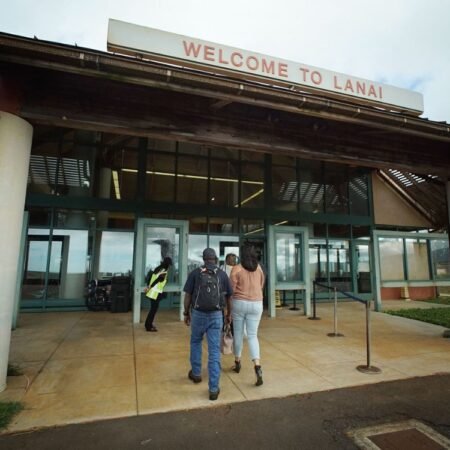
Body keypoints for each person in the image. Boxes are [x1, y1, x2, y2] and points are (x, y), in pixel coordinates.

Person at [183, 248, 232, 401]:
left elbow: (188, 295)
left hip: (198, 314)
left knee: (196, 341)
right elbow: (229, 297)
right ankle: (213, 388)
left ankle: (196, 374)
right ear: (215, 259)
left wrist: (186, 312)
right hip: (216, 315)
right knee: (214, 351)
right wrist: (228, 314)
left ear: (204, 259)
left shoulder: (195, 273)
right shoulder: (222, 274)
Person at [230, 244, 265, 386]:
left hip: (239, 303)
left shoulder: (236, 269)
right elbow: (261, 285)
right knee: (252, 335)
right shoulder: (259, 269)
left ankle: (237, 362)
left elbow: (230, 290)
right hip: (257, 304)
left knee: (238, 334)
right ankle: (257, 366)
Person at [144, 256, 172, 332]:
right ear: (168, 264)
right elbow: (158, 279)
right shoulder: (164, 270)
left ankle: (148, 324)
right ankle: (148, 326)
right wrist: (149, 287)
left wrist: (148, 286)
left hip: (153, 291)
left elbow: (150, 277)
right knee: (153, 310)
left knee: (153, 309)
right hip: (155, 292)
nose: (170, 266)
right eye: (169, 265)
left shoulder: (158, 268)